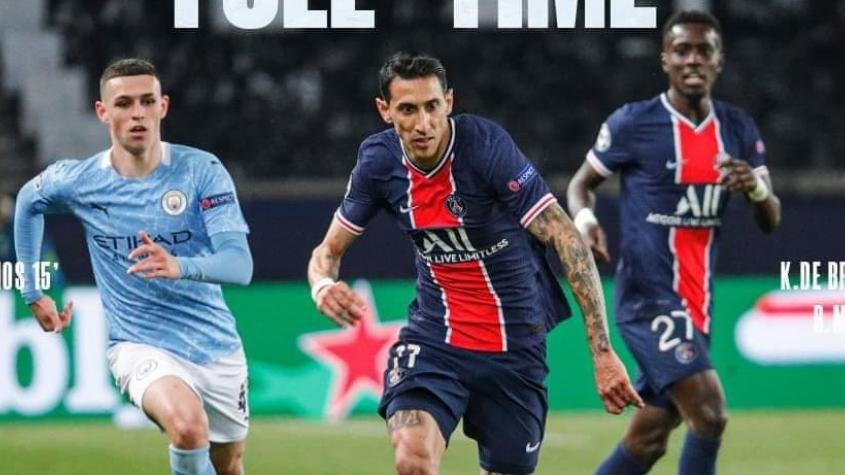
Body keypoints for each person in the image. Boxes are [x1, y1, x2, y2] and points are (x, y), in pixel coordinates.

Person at [307, 51, 643, 475]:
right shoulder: (378, 162)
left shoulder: (485, 148)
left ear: (448, 102)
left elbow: (565, 236)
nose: (423, 123)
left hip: (514, 347)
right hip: (435, 341)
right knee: (413, 458)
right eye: (408, 110)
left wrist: (602, 352)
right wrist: (323, 285)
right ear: (385, 110)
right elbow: (326, 253)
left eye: (432, 106)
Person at [567, 11, 781, 475]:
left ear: (719, 60)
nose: (693, 59)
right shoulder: (633, 122)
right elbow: (580, 184)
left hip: (696, 304)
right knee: (710, 414)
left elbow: (771, 218)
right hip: (648, 297)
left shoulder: (737, 129)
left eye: (704, 50)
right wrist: (585, 220)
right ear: (665, 59)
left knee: (647, 440)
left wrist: (755, 189)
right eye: (682, 50)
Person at [14, 58, 253, 475]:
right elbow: (27, 201)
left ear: (163, 106)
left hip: (215, 347)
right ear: (103, 112)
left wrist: (179, 265)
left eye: (147, 101)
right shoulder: (80, 180)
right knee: (187, 427)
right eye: (124, 103)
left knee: (228, 466)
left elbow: (240, 265)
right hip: (137, 344)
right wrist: (33, 291)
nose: (137, 113)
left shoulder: (201, 171)